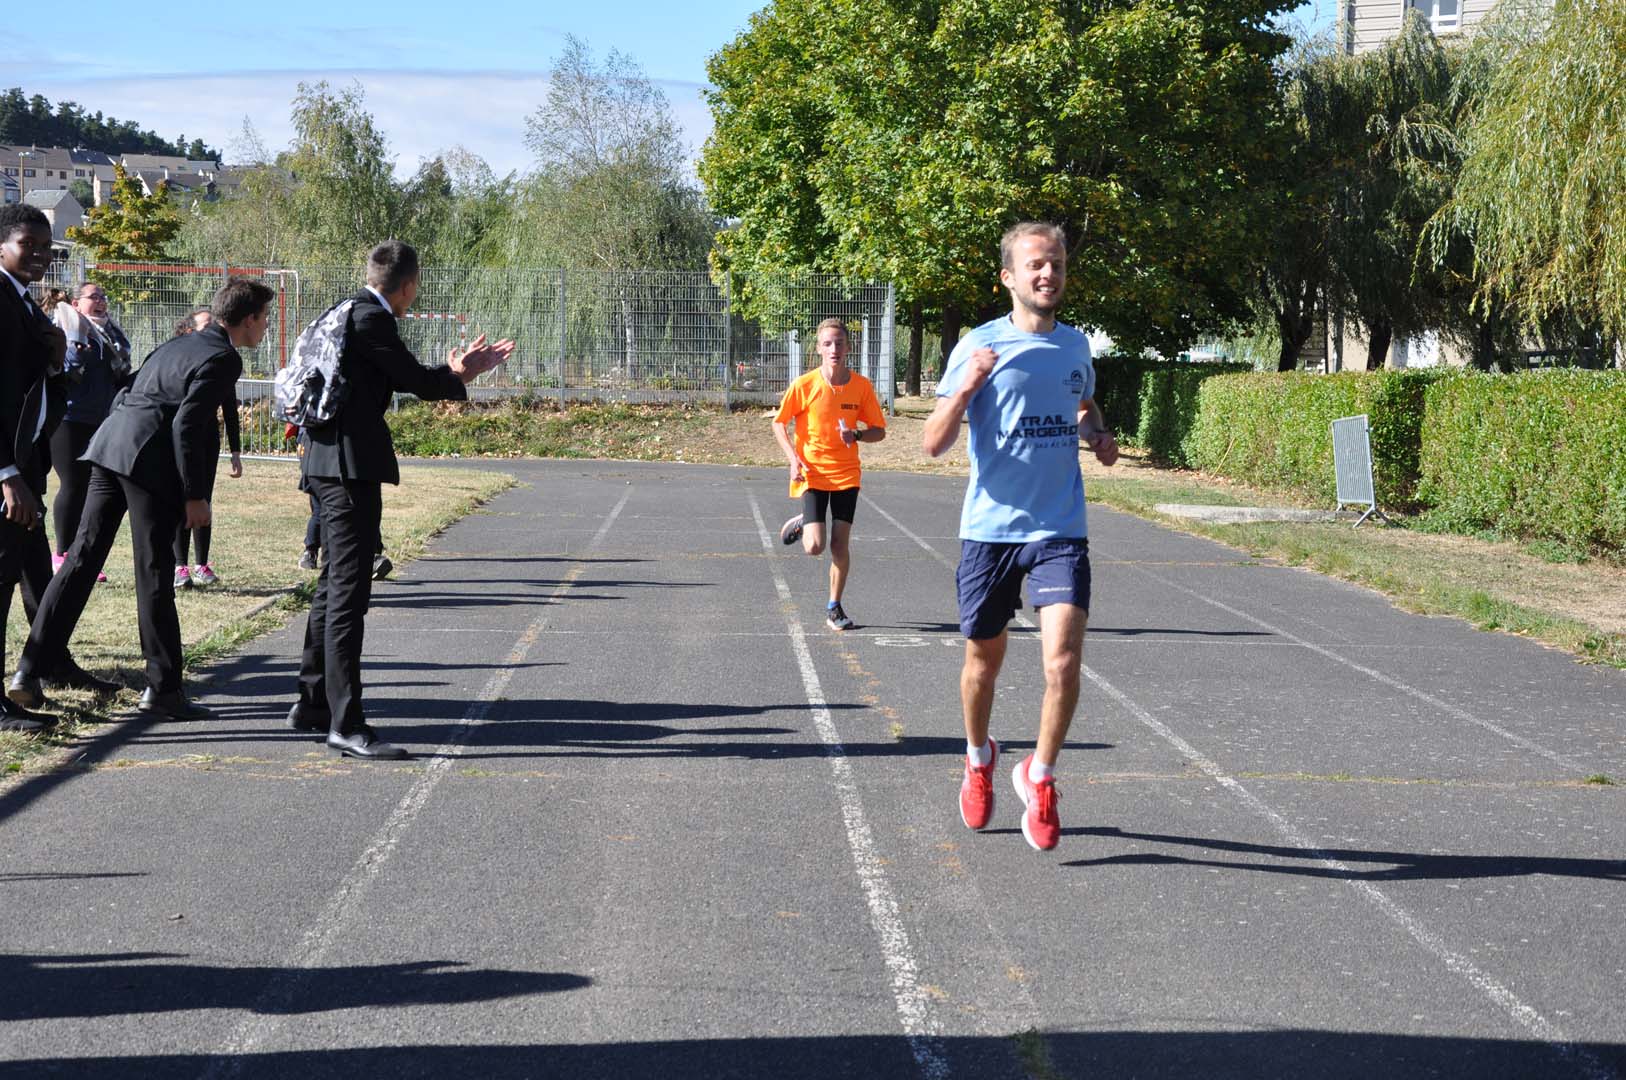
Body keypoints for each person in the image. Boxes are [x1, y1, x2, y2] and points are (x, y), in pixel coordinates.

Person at [922, 221, 1119, 852]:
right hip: (990, 531)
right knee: (984, 660)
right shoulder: (977, 346)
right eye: (1036, 265)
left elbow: (1084, 408)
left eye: (1056, 264)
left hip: (1061, 526)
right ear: (1009, 276)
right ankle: (979, 758)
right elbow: (933, 442)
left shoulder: (1077, 346)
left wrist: (1097, 436)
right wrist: (969, 387)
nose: (1048, 275)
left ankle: (1041, 776)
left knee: (1062, 660)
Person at [8, 279, 275, 721]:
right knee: (153, 571)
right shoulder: (223, 356)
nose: (266, 327)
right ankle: (164, 689)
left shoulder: (178, 344)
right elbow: (188, 425)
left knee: (81, 559)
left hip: (111, 447)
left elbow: (128, 390)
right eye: (265, 319)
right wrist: (195, 495)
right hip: (146, 460)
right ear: (247, 319)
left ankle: (29, 672)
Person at [288, 240, 512, 760]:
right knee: (349, 594)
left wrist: (452, 374)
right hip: (346, 467)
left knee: (332, 587)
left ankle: (313, 701)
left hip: (324, 460)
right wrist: (461, 373)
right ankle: (346, 722)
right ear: (409, 286)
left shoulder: (343, 309)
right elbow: (415, 381)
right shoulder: (372, 320)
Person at [0, 205, 69, 732]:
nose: (42, 254)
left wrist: (53, 361)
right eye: (30, 244)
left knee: (24, 572)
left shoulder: (25, 301)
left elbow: (31, 384)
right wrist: (6, 473)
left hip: (28, 462)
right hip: (8, 474)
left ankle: (46, 663)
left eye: (47, 246)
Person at [771, 318, 887, 631]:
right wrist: (793, 459)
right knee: (814, 547)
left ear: (848, 348)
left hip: (847, 474)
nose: (834, 348)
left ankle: (834, 607)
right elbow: (779, 423)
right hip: (812, 472)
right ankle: (803, 522)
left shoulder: (861, 387)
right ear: (819, 349)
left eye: (839, 343)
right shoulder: (805, 384)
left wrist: (858, 436)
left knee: (839, 545)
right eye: (827, 343)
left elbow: (879, 431)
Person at [50, 282, 132, 579]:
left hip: (100, 418)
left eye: (103, 297)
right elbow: (65, 367)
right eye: (92, 297)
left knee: (90, 487)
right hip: (69, 418)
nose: (100, 302)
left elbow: (117, 370)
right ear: (76, 303)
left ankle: (81, 555)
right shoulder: (64, 326)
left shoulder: (109, 332)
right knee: (73, 484)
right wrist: (77, 347)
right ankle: (61, 554)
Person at [170, 308, 241, 589]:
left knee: (203, 498)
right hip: (180, 438)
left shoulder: (220, 360)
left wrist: (235, 451)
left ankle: (202, 563)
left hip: (207, 438)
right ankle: (179, 566)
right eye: (206, 325)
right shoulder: (180, 358)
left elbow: (230, 408)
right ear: (189, 331)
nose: (215, 329)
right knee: (182, 497)